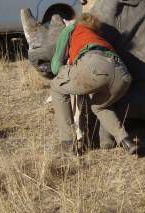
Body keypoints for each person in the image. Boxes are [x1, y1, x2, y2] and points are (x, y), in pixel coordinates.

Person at [49, 12, 139, 155]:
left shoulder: (72, 28)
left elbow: (55, 67)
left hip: (95, 66)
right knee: (99, 106)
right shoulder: (97, 37)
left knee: (56, 87)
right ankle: (125, 140)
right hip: (123, 75)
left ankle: (67, 143)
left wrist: (65, 71)